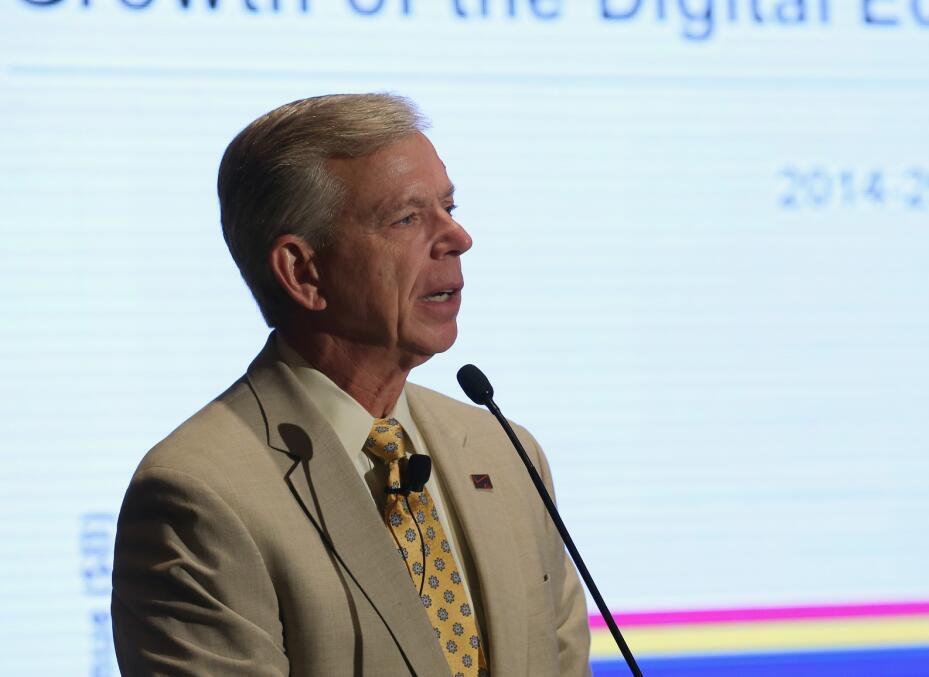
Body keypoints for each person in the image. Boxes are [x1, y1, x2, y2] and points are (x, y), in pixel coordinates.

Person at [110, 93, 592, 676]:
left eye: (449, 206)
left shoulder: (507, 454)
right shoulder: (200, 496)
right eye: (408, 218)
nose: (458, 237)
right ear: (303, 272)